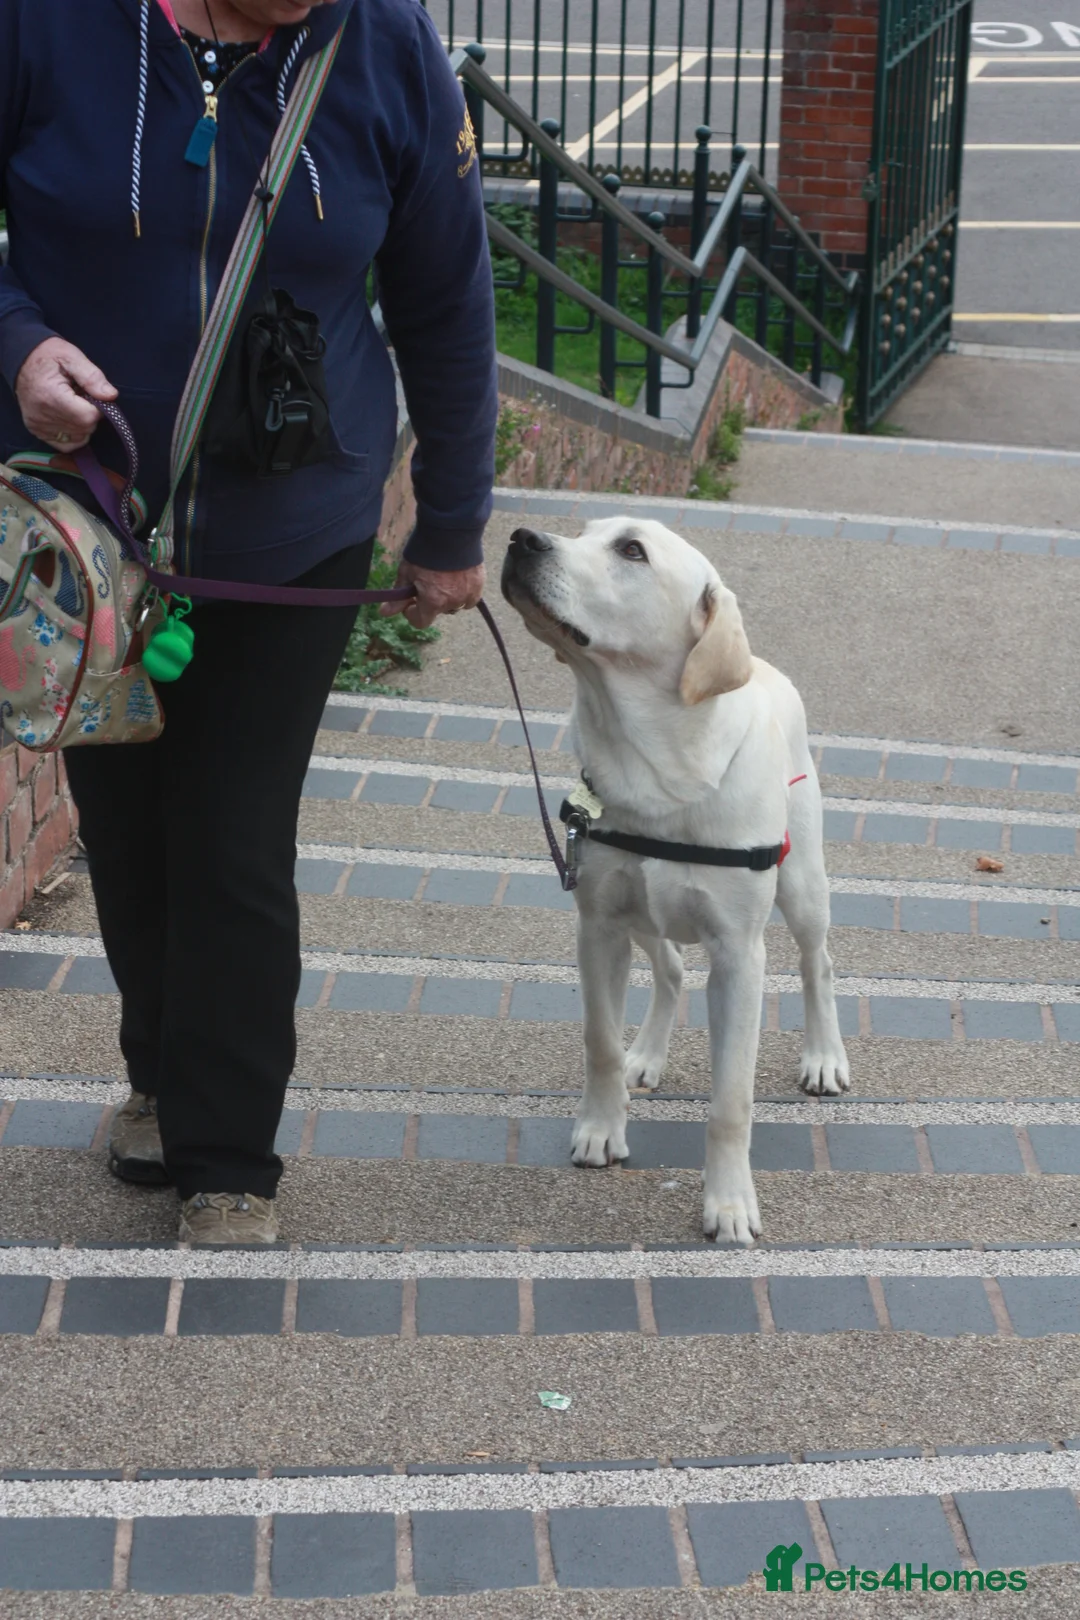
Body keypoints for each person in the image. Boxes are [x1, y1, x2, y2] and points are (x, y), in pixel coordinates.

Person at [0, 0, 497, 1242]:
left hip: (295, 532)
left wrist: (451, 520)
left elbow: (446, 294)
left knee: (233, 831)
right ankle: (161, 1075)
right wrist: (16, 348)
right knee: (125, 824)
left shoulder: (383, 44)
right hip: (91, 526)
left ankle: (226, 1157)